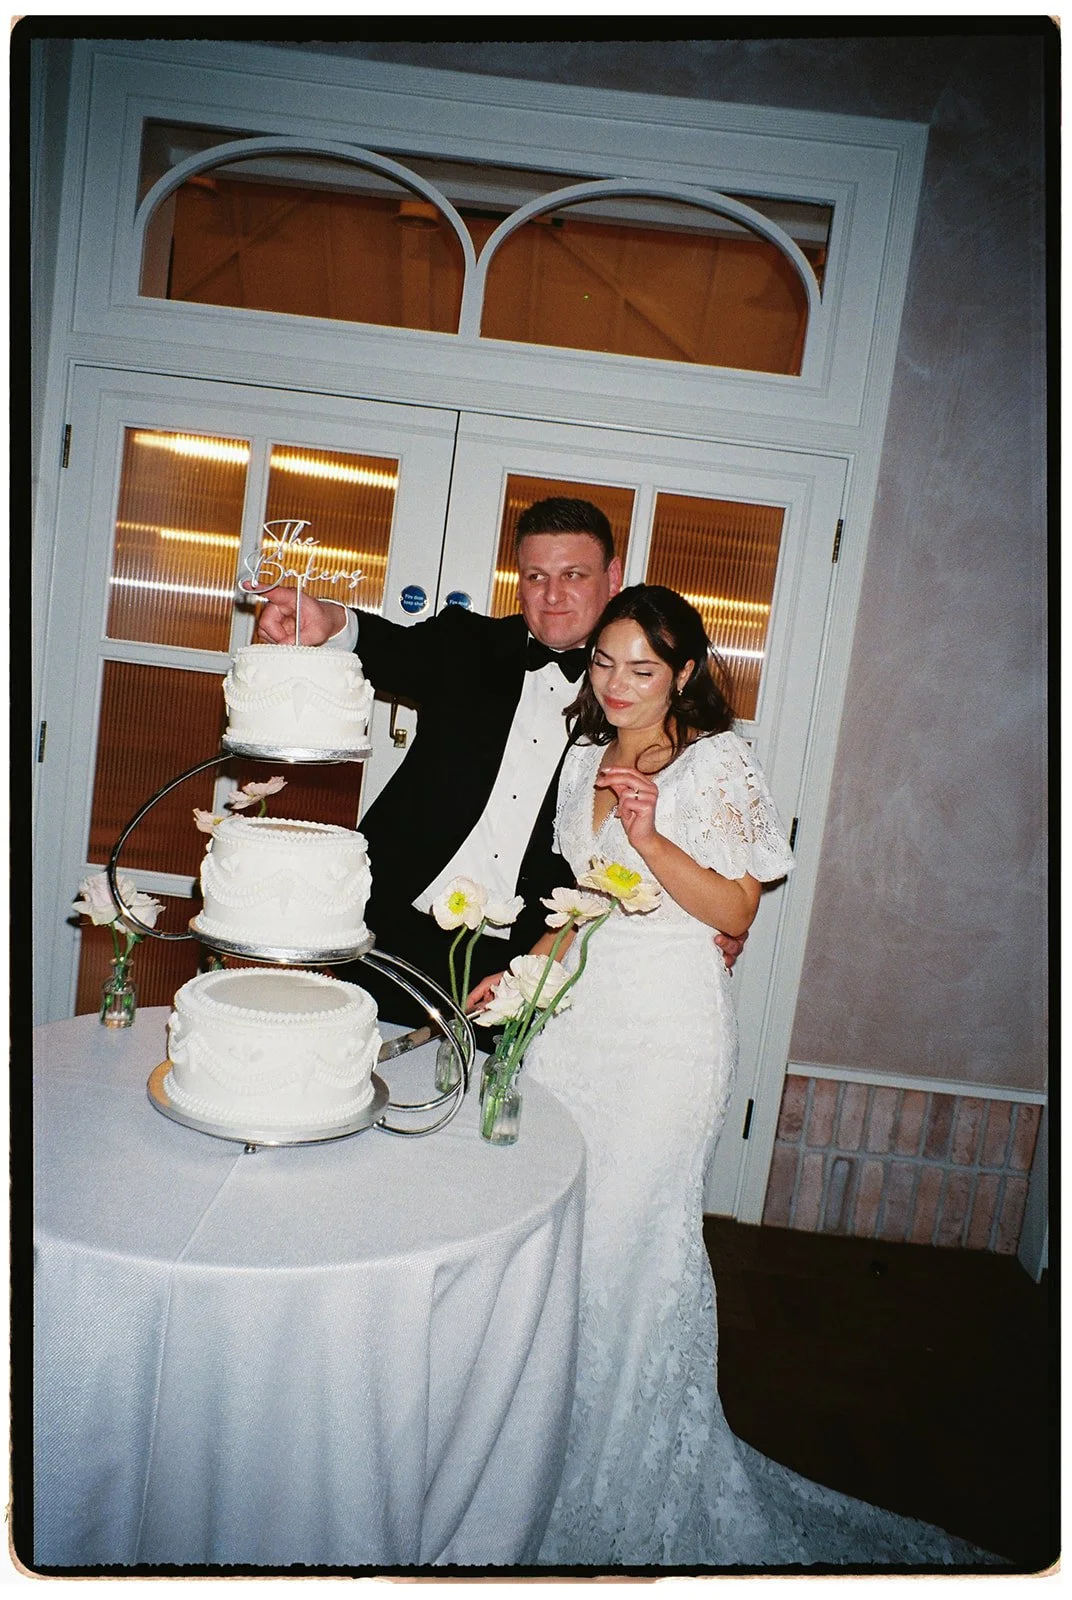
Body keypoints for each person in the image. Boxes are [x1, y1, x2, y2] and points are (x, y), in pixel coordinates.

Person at [469, 585, 993, 1570]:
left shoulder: (718, 761)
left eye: (642, 668)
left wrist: (655, 832)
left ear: (682, 673)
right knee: (561, 1236)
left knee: (628, 1238)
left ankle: (613, 1472)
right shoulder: (585, 754)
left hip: (667, 1032)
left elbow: (737, 907)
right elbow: (582, 901)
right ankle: (530, 1457)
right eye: (603, 664)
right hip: (578, 1023)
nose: (617, 685)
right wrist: (524, 969)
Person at [251, 499, 743, 1024]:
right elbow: (386, 645)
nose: (552, 595)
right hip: (396, 925)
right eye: (536, 576)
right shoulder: (467, 645)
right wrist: (326, 618)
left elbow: (676, 828)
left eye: (573, 574)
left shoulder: (634, 696)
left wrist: (704, 923)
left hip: (527, 956)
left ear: (613, 576)